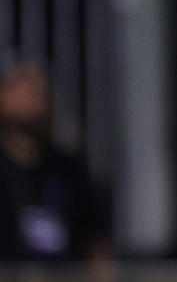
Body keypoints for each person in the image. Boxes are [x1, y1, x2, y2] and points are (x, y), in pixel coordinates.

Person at [0, 57, 109, 269]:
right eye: (21, 87)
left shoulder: (68, 167)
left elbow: (94, 239)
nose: (33, 96)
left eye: (38, 89)